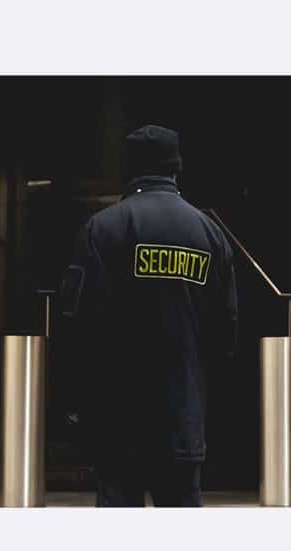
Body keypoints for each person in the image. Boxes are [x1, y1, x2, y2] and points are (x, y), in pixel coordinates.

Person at [59, 124, 238, 507]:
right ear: (177, 166)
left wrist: (76, 403)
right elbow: (226, 332)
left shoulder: (102, 228)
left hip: (119, 424)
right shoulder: (209, 233)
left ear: (130, 168)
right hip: (184, 420)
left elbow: (79, 327)